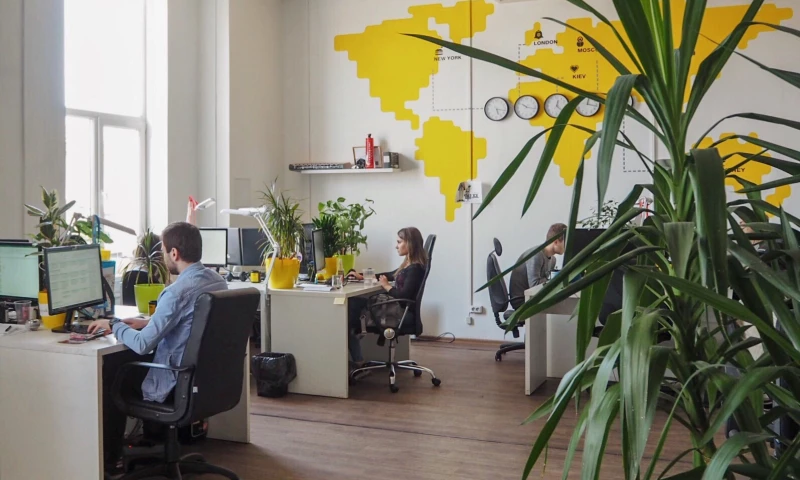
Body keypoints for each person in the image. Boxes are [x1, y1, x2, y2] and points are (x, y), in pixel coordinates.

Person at [87, 222, 228, 474]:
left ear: (174, 253)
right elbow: (190, 321)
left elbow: (143, 345)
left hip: (176, 382)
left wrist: (114, 324)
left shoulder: (176, 292)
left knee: (112, 371)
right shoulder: (216, 281)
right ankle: (147, 442)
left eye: (163, 250)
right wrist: (149, 322)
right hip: (206, 382)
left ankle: (111, 460)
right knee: (120, 363)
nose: (162, 256)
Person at [346, 227, 427, 374]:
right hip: (401, 311)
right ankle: (357, 358)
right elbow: (390, 274)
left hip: (401, 314)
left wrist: (386, 286)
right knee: (354, 304)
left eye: (399, 242)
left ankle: (357, 361)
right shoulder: (408, 265)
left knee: (349, 311)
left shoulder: (415, 269)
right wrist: (363, 276)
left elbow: (404, 296)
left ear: (410, 243)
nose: (396, 246)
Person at [509, 223, 567, 310]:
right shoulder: (536, 255)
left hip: (534, 298)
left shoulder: (553, 260)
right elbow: (534, 285)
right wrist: (556, 279)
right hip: (522, 301)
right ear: (556, 242)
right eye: (565, 241)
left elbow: (545, 283)